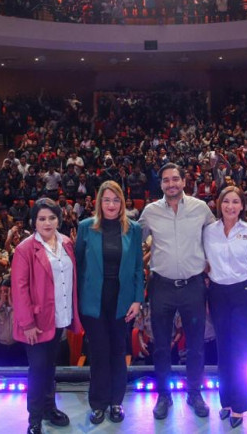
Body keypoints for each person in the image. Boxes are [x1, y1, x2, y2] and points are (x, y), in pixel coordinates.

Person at [139, 163, 216, 420]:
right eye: (166, 180)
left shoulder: (200, 208)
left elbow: (216, 237)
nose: (171, 184)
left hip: (193, 286)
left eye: (175, 179)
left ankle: (194, 392)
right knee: (161, 346)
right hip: (161, 287)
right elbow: (133, 241)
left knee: (196, 345)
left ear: (184, 181)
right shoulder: (150, 212)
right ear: (160, 184)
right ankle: (164, 395)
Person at [75, 180, 144, 424]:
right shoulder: (85, 227)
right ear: (99, 202)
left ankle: (116, 402)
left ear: (122, 203)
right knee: (98, 353)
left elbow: (138, 267)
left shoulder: (133, 229)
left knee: (118, 351)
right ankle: (98, 404)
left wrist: (138, 300)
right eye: (107, 200)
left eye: (116, 200)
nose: (111, 204)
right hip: (93, 302)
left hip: (122, 301)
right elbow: (79, 267)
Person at [12, 198, 82, 434]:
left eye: (52, 217)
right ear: (34, 222)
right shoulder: (25, 249)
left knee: (51, 367)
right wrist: (28, 324)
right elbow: (19, 289)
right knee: (38, 369)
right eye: (42, 218)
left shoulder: (66, 243)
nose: (47, 222)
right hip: (37, 323)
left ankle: (50, 408)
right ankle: (34, 418)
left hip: (60, 316)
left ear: (59, 219)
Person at [203, 186, 247, 429]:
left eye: (235, 202)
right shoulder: (208, 232)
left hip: (243, 293)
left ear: (242, 206)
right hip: (217, 294)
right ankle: (226, 402)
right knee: (224, 351)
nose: (230, 206)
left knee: (241, 351)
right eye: (226, 201)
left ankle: (239, 406)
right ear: (219, 204)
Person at [0, 278, 27, 366]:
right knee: (0, 376)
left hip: (17, 345)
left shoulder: (21, 305)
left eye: (6, 291)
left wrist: (12, 305)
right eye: (1, 291)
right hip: (0, 346)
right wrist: (0, 304)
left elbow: (25, 321)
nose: (4, 294)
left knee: (18, 376)